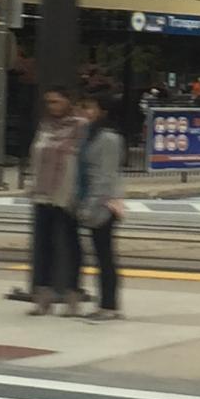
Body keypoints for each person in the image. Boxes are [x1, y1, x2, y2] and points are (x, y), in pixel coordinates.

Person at [27, 87, 87, 315]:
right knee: (43, 244)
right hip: (43, 194)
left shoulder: (80, 126)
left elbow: (83, 159)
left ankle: (73, 294)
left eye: (56, 102)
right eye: (49, 102)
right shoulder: (45, 125)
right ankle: (43, 295)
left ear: (67, 101)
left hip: (67, 194)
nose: (52, 107)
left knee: (71, 244)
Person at [77, 92, 126, 321]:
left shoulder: (108, 138)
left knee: (105, 256)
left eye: (89, 107)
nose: (84, 112)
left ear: (102, 111)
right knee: (101, 255)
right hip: (96, 201)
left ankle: (109, 305)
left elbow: (105, 177)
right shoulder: (90, 135)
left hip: (105, 204)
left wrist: (91, 207)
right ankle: (106, 303)